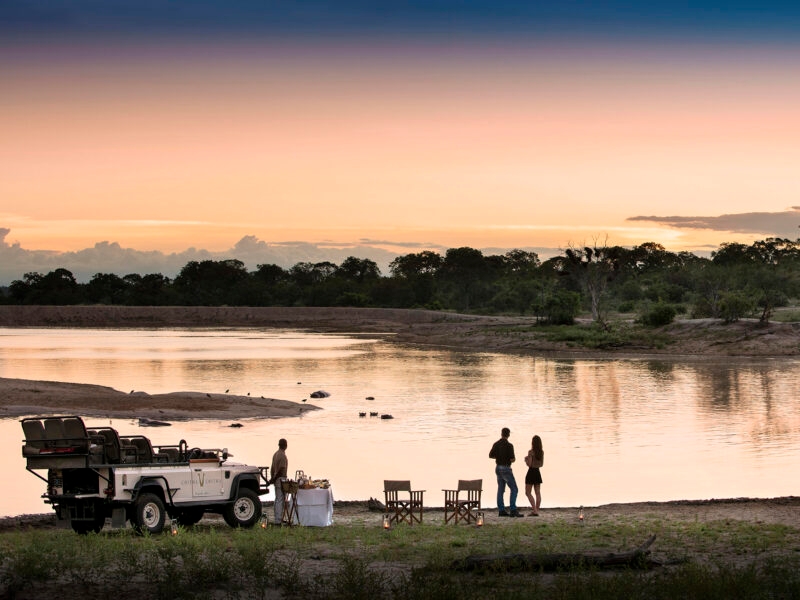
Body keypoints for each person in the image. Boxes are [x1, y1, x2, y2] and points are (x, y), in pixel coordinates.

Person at [489, 427, 523, 517]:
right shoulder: (509, 445)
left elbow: (490, 455)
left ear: (501, 434)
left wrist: (498, 457)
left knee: (500, 489)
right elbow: (512, 459)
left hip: (498, 468)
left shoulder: (496, 444)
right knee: (514, 489)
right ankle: (513, 509)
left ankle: (501, 510)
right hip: (506, 468)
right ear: (508, 435)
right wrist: (512, 459)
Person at [268, 438, 288, 524]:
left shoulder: (275, 454)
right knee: (280, 499)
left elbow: (272, 468)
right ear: (285, 446)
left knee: (277, 499)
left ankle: (278, 518)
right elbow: (281, 469)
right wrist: (275, 478)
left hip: (276, 479)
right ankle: (278, 520)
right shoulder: (282, 455)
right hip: (281, 479)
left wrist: (272, 478)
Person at [524, 435, 544, 516]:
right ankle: (537, 510)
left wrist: (526, 460)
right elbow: (541, 464)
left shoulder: (531, 452)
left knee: (528, 492)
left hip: (531, 472)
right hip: (537, 472)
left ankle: (535, 510)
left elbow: (529, 464)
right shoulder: (541, 452)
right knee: (537, 493)